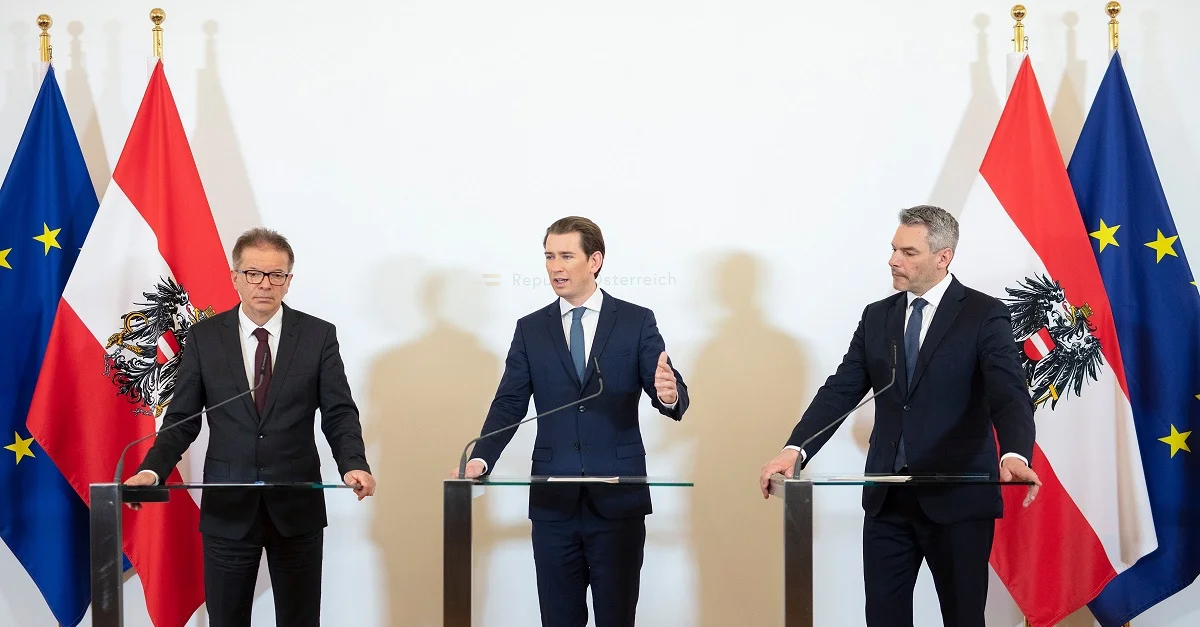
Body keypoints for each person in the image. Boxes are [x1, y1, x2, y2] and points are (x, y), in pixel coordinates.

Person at [758, 205, 1040, 627]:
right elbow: (841, 390)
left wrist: (1015, 453)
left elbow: (1009, 394)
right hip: (887, 499)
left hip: (957, 498)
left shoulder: (984, 314)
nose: (893, 260)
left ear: (943, 257)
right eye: (893, 249)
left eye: (908, 252)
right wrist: (794, 449)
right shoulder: (878, 316)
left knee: (964, 618)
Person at [124, 227, 376, 627]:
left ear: (289, 281)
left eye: (277, 275)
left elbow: (339, 412)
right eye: (254, 273)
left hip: (297, 504)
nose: (265, 284)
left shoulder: (317, 336)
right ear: (235, 277)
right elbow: (182, 420)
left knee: (299, 619)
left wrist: (353, 463)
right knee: (226, 619)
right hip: (229, 507)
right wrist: (151, 471)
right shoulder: (204, 337)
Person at [455, 216, 689, 627]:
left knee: (616, 618)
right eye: (549, 256)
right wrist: (481, 458)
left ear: (594, 260)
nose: (555, 267)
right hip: (553, 504)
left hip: (618, 499)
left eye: (566, 256)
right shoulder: (530, 329)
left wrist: (669, 397)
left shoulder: (636, 321)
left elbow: (666, 386)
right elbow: (509, 402)